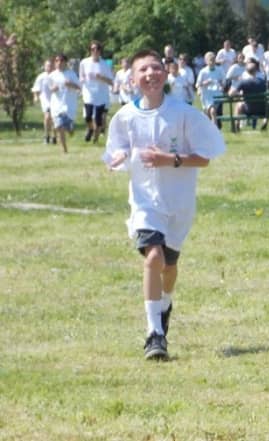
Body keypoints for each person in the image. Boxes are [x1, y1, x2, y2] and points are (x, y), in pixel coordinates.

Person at [103, 49, 226, 360]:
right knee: (153, 256)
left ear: (166, 72)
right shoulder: (124, 117)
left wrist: (169, 159)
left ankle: (165, 304)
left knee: (169, 267)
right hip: (145, 202)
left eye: (156, 68)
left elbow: (205, 158)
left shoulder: (184, 113)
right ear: (132, 79)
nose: (150, 74)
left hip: (178, 204)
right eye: (142, 70)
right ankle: (154, 334)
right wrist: (118, 157)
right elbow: (116, 150)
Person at [79, 40, 114, 144]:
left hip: (101, 94)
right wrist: (83, 80)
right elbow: (81, 77)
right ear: (90, 50)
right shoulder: (84, 62)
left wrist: (102, 77)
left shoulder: (104, 64)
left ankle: (96, 139)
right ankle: (90, 129)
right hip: (88, 93)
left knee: (98, 119)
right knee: (88, 116)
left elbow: (111, 81)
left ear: (100, 51)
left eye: (97, 49)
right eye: (92, 49)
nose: (95, 51)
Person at [48, 53, 80, 153]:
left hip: (69, 105)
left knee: (66, 128)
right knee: (59, 126)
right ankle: (64, 150)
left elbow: (79, 87)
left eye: (61, 60)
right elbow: (50, 89)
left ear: (65, 62)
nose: (59, 63)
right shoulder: (52, 75)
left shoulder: (71, 74)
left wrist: (70, 84)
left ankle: (70, 129)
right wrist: (53, 88)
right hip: (56, 105)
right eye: (57, 60)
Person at [229, 58, 269, 132]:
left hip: (248, 109)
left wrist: (240, 95)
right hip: (262, 108)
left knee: (238, 105)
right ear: (256, 70)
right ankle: (265, 122)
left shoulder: (243, 82)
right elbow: (266, 91)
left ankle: (237, 123)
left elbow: (231, 94)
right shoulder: (262, 82)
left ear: (246, 71)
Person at [196, 51, 225, 128]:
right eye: (210, 60)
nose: (212, 62)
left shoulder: (220, 70)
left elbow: (223, 81)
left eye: (213, 59)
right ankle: (210, 129)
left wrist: (221, 85)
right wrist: (204, 83)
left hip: (217, 94)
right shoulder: (203, 71)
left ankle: (214, 129)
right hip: (207, 95)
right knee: (209, 114)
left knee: (213, 111)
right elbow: (197, 84)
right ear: (206, 61)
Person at [32, 58, 57, 144]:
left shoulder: (56, 75)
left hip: (56, 100)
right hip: (45, 100)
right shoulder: (41, 77)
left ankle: (54, 136)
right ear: (45, 66)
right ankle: (46, 136)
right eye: (47, 66)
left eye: (51, 66)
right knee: (47, 117)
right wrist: (35, 96)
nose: (49, 67)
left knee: (54, 119)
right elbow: (36, 88)